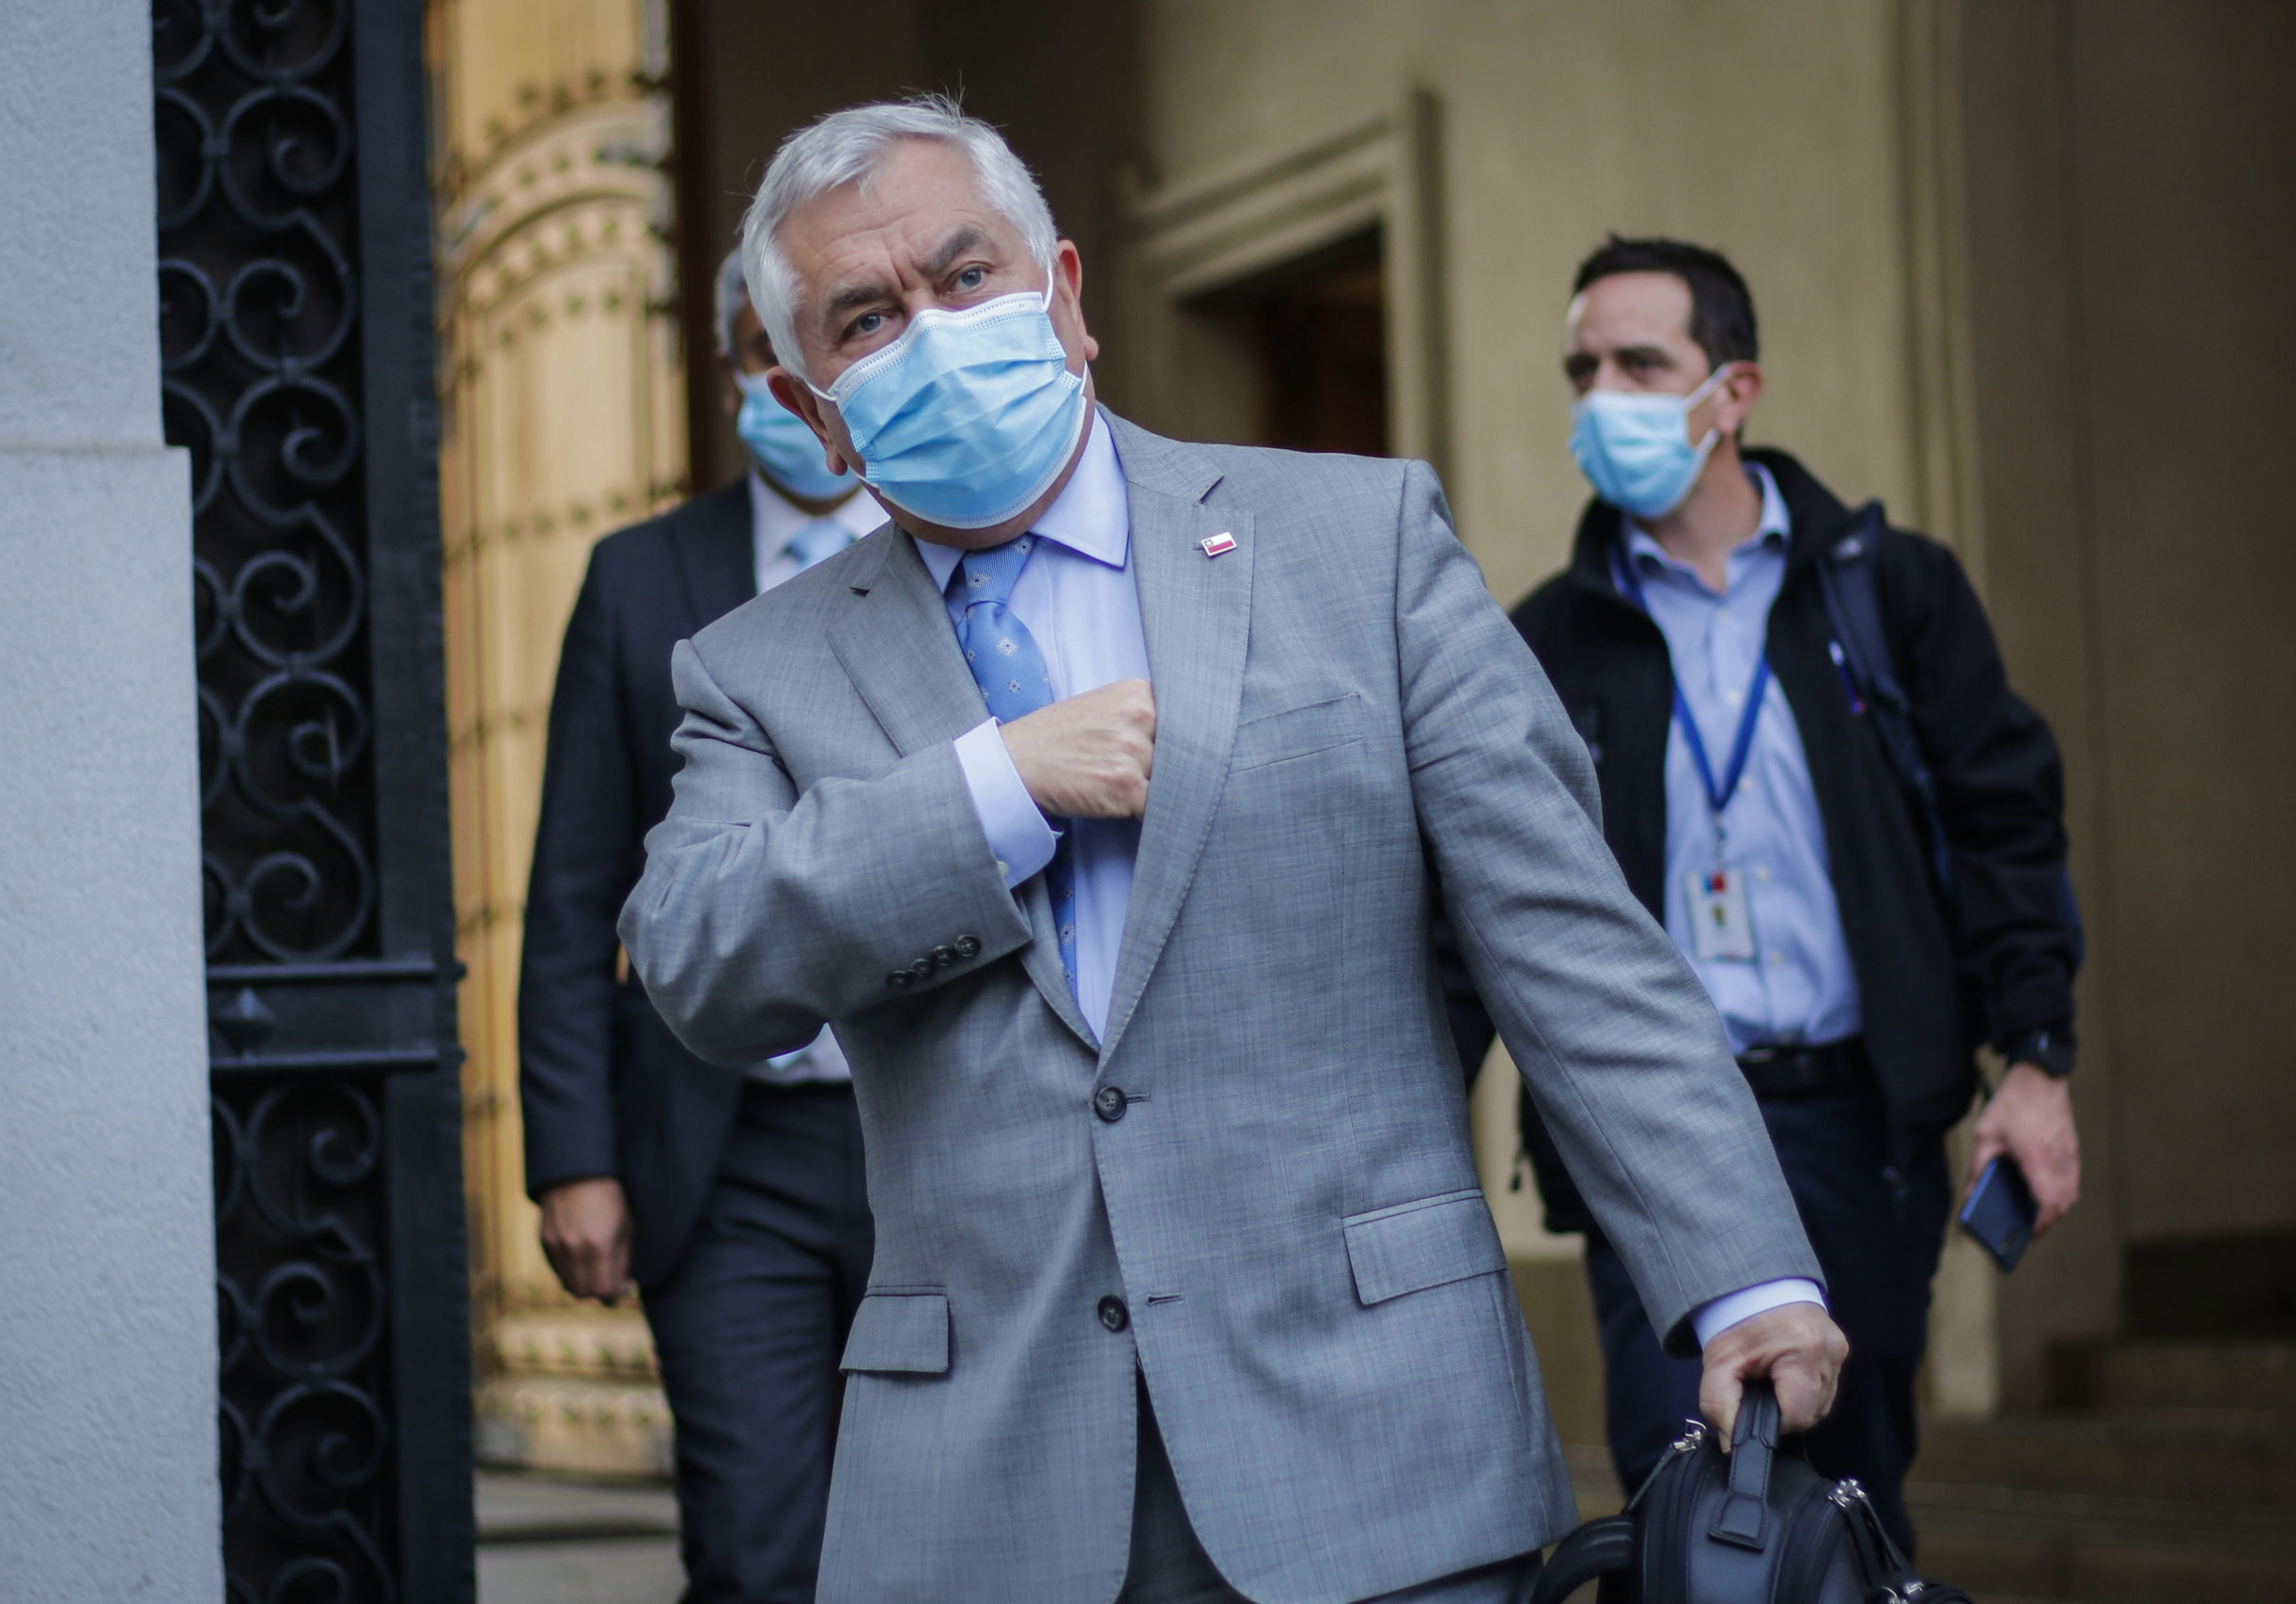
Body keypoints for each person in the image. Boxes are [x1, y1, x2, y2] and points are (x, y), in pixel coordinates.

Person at [620, 98, 1847, 1604]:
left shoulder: (1359, 540)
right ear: (814, 410)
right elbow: (697, 955)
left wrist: (1741, 1273)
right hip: (988, 1496)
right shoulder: (757, 668)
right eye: (866, 318)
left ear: (1064, 294)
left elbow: (1567, 942)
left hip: (1380, 1450)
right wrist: (997, 786)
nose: (932, 332)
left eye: (965, 275)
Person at [1461, 235, 2083, 1557]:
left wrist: (2034, 1056)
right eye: (1583, 370)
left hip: (1856, 1124)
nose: (1602, 399)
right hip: (1651, 1131)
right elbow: (1492, 903)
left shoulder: (1885, 589)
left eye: (1641, 365)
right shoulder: (1544, 639)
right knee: (1684, 1510)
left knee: (1850, 1503)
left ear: (1732, 391)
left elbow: (2005, 819)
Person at [518, 250, 884, 1604]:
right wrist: (574, 1160)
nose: (785, 378)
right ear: (732, 369)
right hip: (725, 1155)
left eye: (813, 343)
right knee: (755, 1551)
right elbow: (573, 890)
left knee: (955, 1545)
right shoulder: (637, 579)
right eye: (755, 347)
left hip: (941, 1129)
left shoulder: (959, 549)